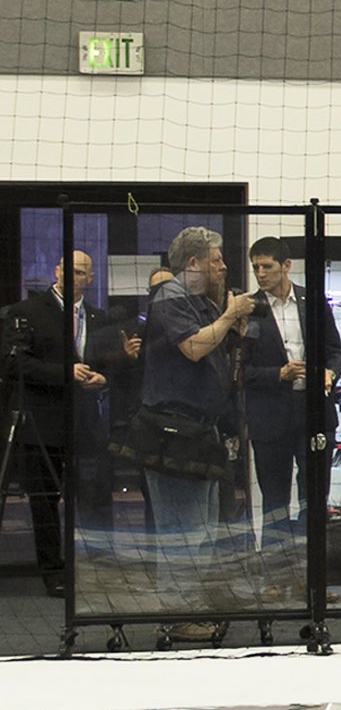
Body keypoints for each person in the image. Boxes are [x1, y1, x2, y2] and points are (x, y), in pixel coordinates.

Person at [135, 227, 251, 625]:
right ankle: (177, 616)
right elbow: (195, 347)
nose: (223, 266)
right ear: (193, 263)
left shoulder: (199, 302)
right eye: (216, 259)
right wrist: (231, 315)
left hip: (198, 432)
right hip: (173, 434)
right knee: (181, 534)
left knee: (200, 532)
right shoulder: (171, 297)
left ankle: (189, 610)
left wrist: (229, 322)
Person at [3, 250, 113, 595]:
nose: (75, 277)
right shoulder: (27, 313)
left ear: (91, 278)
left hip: (86, 422)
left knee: (93, 496)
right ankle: (54, 571)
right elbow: (13, 366)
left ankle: (97, 565)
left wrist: (103, 377)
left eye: (82, 272)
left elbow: (110, 364)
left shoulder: (100, 318)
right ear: (56, 271)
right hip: (41, 424)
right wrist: (63, 373)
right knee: (45, 500)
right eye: (70, 270)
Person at [239, 237, 341, 538]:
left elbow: (336, 351)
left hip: (313, 410)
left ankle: (312, 570)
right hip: (270, 414)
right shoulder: (249, 309)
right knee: (274, 499)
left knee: (314, 495)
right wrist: (279, 373)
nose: (261, 274)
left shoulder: (312, 301)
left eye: (267, 266)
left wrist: (329, 372)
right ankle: (276, 575)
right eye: (256, 267)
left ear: (286, 266)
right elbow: (239, 372)